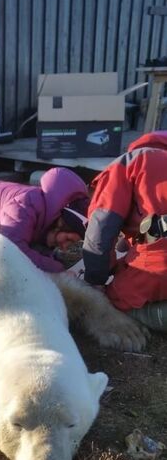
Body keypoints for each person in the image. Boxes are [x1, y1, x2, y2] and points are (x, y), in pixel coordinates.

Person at [82, 130, 167, 331]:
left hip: (159, 261)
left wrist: (96, 279)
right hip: (157, 248)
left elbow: (101, 227)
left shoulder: (129, 163)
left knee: (113, 301)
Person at [0, 168, 89, 273]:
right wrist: (58, 270)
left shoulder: (45, 212)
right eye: (68, 240)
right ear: (61, 223)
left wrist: (51, 259)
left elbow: (31, 244)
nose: (65, 247)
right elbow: (12, 251)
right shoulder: (23, 207)